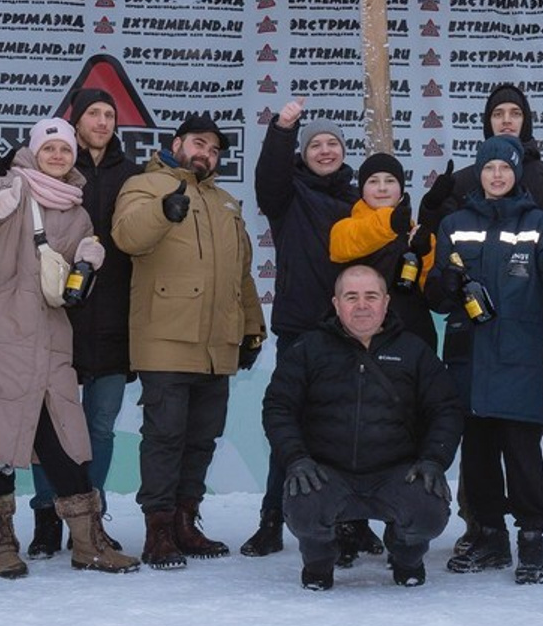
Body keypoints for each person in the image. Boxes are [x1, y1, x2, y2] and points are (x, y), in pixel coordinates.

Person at [0, 116, 138, 578]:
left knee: (64, 439)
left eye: (65, 150)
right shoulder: (11, 185)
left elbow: (69, 282)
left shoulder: (78, 211)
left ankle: (87, 542)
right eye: (49, 148)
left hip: (45, 335)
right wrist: (4, 191)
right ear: (33, 151)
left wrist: (87, 263)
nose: (57, 156)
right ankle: (2, 544)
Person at [436, 83, 543, 560]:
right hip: (477, 335)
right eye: (498, 113)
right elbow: (445, 259)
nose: (507, 119)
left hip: (539, 326)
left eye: (515, 113)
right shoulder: (464, 182)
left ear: (527, 121)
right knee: (479, 429)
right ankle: (480, 525)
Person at [112, 112, 265, 569]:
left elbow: (241, 275)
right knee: (164, 437)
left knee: (202, 439)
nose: (207, 154)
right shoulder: (145, 186)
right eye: (199, 144)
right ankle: (158, 529)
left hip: (217, 344)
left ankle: (184, 520)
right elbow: (126, 236)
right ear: (177, 143)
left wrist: (251, 327)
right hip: (166, 339)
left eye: (214, 150)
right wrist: (162, 212)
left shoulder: (226, 203)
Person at [262, 266, 463, 590]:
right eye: (351, 297)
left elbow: (446, 409)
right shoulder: (308, 349)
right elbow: (278, 407)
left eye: (371, 296)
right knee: (304, 502)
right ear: (336, 303)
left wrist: (433, 460)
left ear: (386, 302)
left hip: (397, 474)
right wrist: (297, 459)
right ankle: (318, 562)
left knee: (428, 506)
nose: (362, 305)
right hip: (327, 474)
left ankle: (406, 556)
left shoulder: (414, 351)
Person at [240, 100, 357, 560]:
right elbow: (268, 177)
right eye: (316, 145)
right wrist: (283, 129)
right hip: (300, 328)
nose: (325, 151)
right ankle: (272, 520)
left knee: (349, 429)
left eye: (332, 144)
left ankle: (350, 522)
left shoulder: (358, 200)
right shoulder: (288, 195)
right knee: (289, 427)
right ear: (303, 154)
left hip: (352, 331)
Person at [28, 88, 140, 558]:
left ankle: (90, 520)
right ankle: (46, 517)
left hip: (114, 319)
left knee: (101, 426)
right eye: (93, 113)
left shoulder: (132, 175)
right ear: (76, 122)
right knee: (50, 426)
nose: (102, 121)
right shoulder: (49, 173)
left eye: (109, 114)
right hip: (56, 317)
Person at [329, 151, 438, 350]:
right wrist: (390, 222)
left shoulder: (417, 234)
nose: (382, 188)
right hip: (362, 341)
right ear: (362, 190)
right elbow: (353, 241)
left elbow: (430, 290)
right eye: (373, 181)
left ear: (401, 189)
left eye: (389, 181)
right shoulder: (344, 228)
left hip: (414, 338)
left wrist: (425, 253)